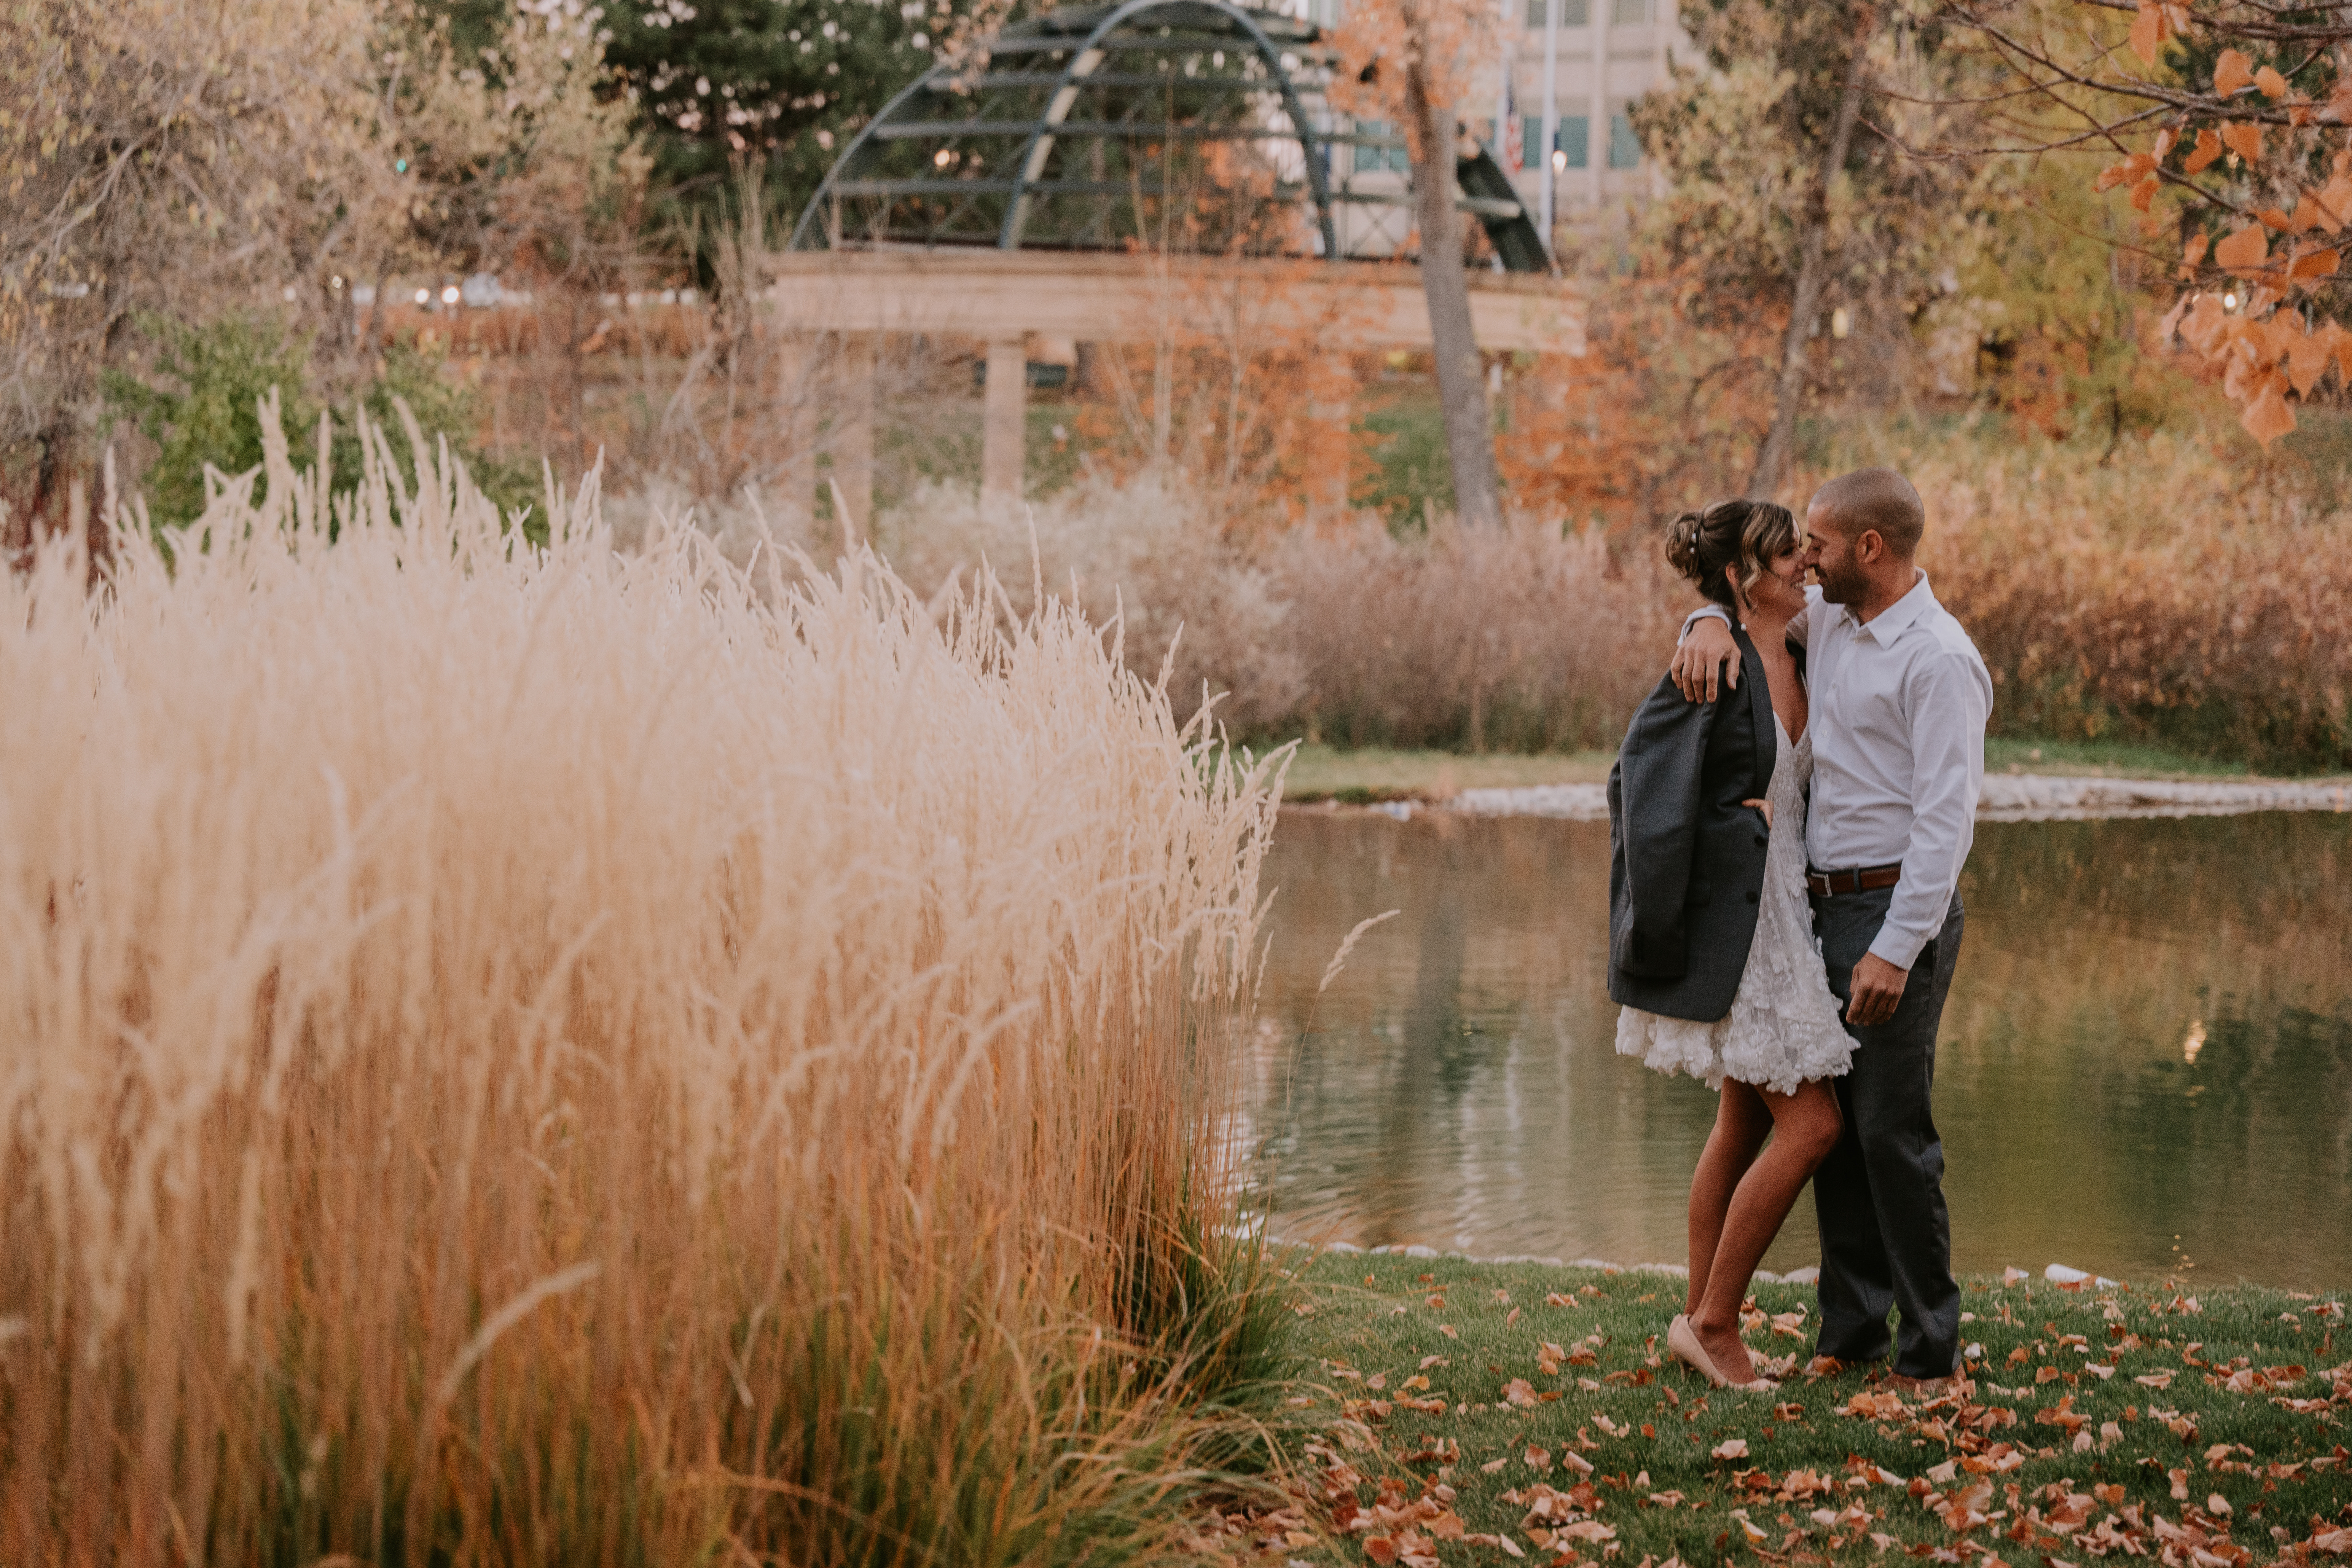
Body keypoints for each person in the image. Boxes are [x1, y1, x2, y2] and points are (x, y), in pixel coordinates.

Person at [1669, 467, 1992, 1395]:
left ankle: (1930, 1356)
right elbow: (1749, 609)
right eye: (1801, 545)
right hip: (1813, 910)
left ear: (1871, 548)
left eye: (1819, 542)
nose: (1806, 559)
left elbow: (1946, 823)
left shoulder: (1938, 658)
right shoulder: (1836, 623)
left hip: (1893, 914)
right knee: (1840, 1137)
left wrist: (1896, 947)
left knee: (1892, 1134)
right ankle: (1850, 1335)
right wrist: (1700, 621)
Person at [1607, 497, 1854, 1393]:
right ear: (1746, 576)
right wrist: (1725, 826)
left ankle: (1699, 1322)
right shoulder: (1713, 662)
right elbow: (1636, 782)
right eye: (1789, 556)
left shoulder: (1802, 645)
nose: (1806, 565)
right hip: (1743, 928)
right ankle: (1714, 1322)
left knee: (1743, 1123)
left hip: (1788, 911)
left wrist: (1705, 612)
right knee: (1815, 1126)